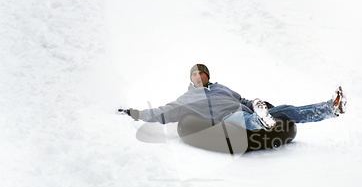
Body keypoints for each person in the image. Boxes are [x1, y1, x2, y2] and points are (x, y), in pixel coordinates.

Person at [120, 64, 346, 130]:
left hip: (245, 109)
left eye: (202, 74)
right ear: (191, 80)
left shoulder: (222, 88)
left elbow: (242, 100)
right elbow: (163, 112)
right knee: (242, 120)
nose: (199, 77)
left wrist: (257, 104)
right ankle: (261, 121)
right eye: (195, 75)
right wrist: (138, 113)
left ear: (208, 77)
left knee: (286, 109)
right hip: (227, 120)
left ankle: (329, 108)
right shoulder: (188, 99)